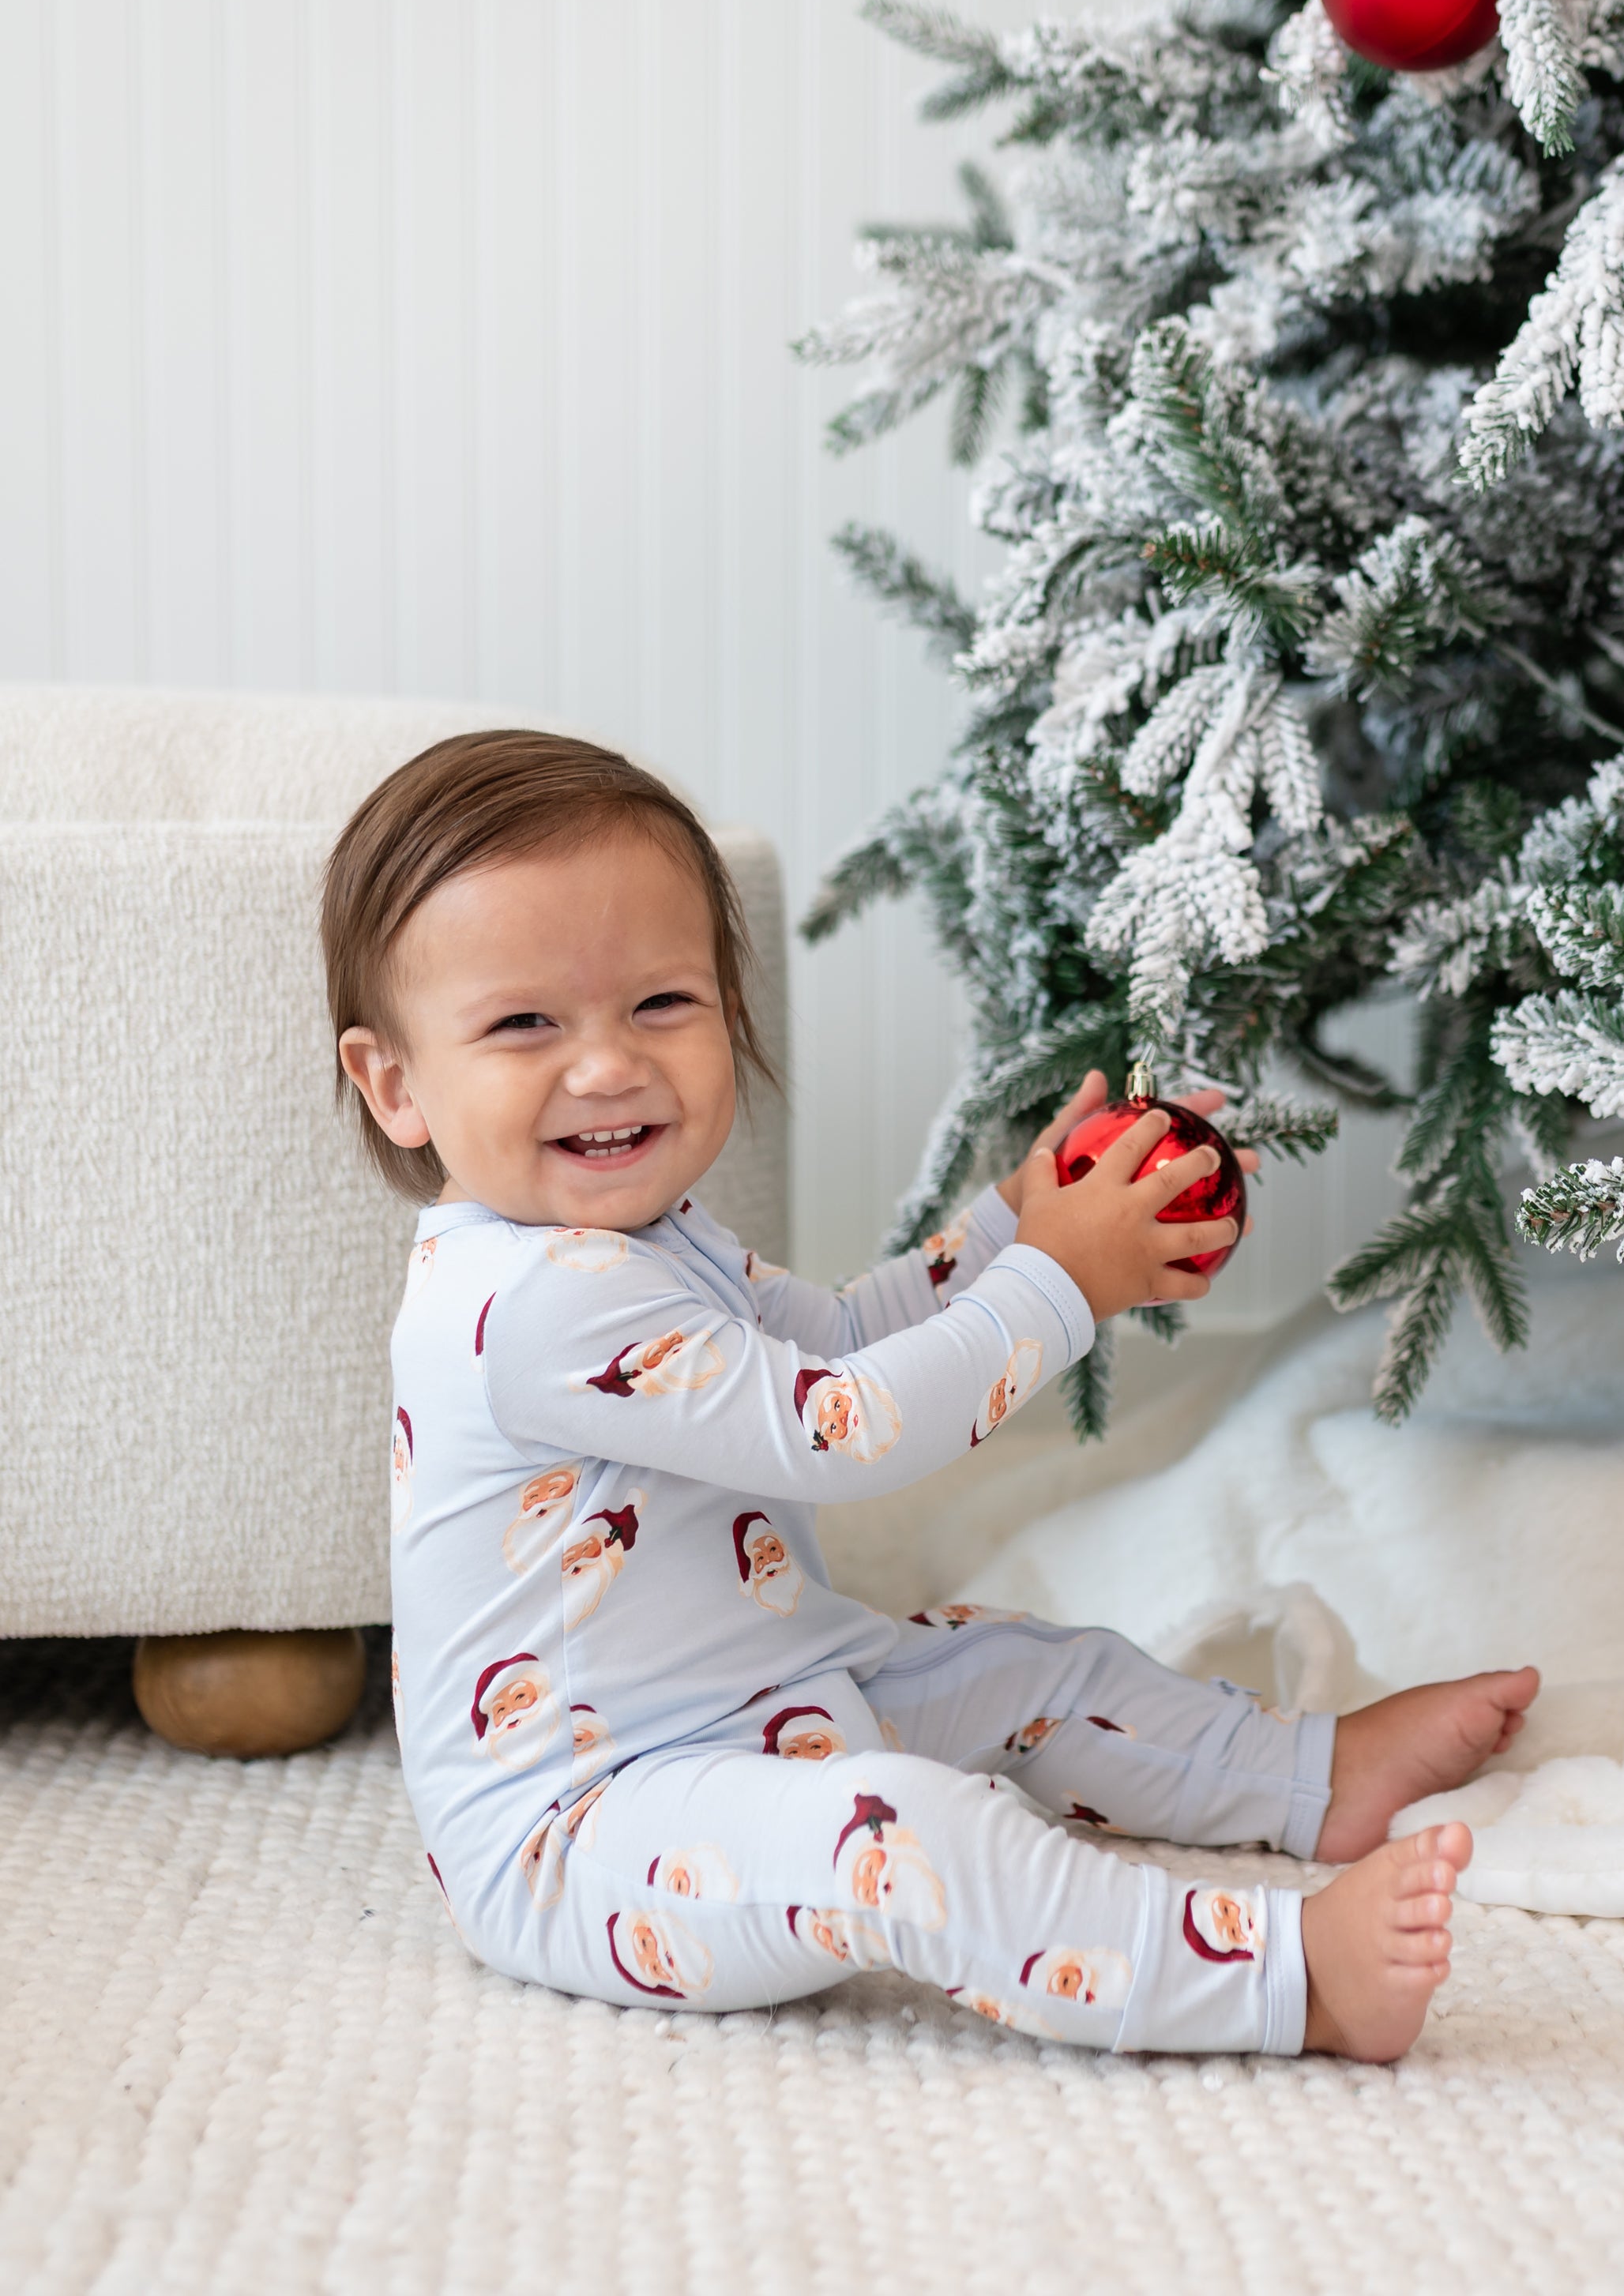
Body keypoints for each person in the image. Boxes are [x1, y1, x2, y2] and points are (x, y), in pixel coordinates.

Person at [324, 731, 1539, 2061]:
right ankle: (1281, 1981)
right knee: (899, 1838)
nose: (609, 1065)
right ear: (396, 1085)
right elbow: (838, 1431)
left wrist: (1013, 1225)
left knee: (1019, 1664)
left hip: (775, 1698)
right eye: (523, 1025)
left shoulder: (648, 1238)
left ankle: (1316, 1780)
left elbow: (840, 1339)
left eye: (662, 1005)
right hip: (589, 1826)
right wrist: (1061, 1284)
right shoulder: (531, 1303)